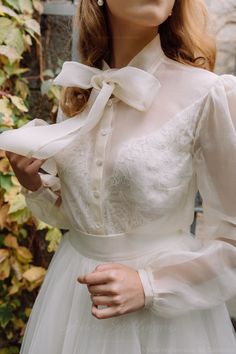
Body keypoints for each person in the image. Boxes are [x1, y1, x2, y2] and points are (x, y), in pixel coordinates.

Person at [1, 0, 236, 352]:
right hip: (72, 300)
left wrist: (149, 285)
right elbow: (84, 213)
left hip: (164, 324)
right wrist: (34, 184)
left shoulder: (207, 93)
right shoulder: (79, 90)